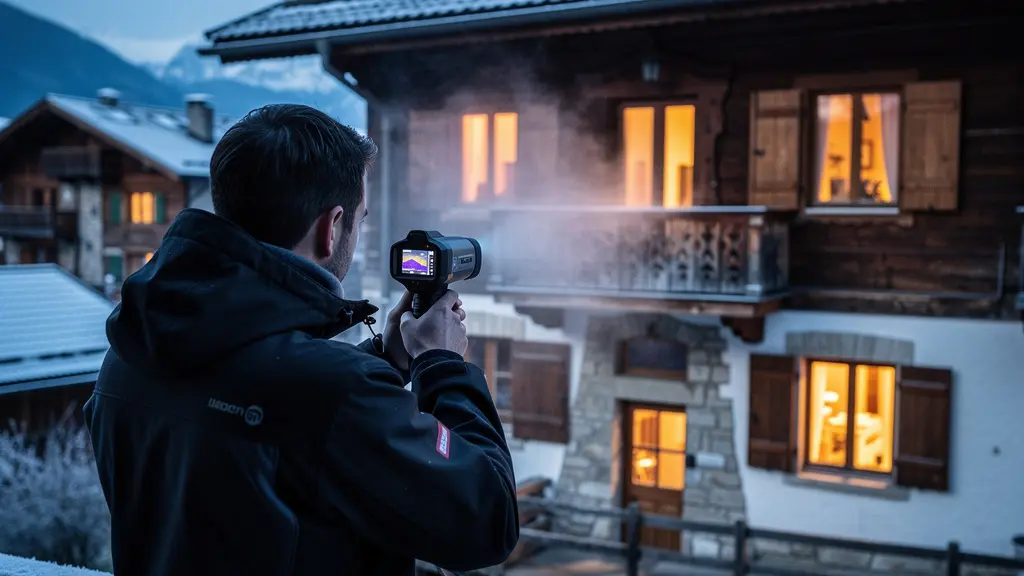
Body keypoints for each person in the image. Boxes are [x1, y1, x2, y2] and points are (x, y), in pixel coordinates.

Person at [83, 104, 519, 576]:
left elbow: (267, 404)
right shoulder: (331, 393)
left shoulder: (130, 351)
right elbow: (488, 520)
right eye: (361, 217)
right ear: (332, 228)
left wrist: (384, 360)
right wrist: (442, 365)